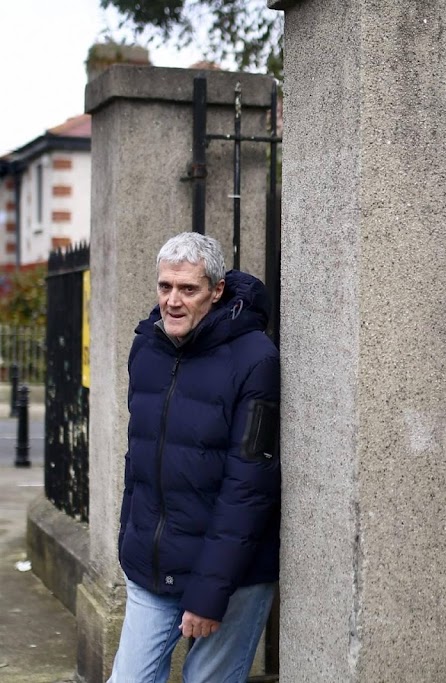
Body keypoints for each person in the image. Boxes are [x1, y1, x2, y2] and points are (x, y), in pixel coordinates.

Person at [109, 232, 280, 682]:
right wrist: (130, 538)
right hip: (154, 563)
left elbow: (249, 486)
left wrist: (209, 593)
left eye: (188, 289)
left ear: (216, 290)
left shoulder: (254, 358)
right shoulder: (147, 347)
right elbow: (140, 459)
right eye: (165, 287)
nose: (173, 301)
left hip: (232, 573)